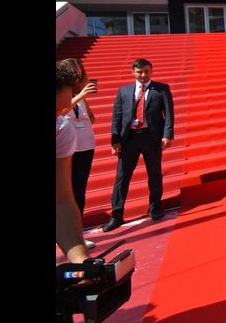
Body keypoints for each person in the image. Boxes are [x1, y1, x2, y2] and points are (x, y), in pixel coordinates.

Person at [104, 58, 175, 232]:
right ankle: (117, 214)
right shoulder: (124, 91)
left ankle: (155, 207)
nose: (143, 75)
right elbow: (117, 117)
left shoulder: (162, 89)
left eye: (147, 72)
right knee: (122, 177)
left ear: (151, 71)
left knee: (155, 174)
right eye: (139, 72)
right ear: (133, 72)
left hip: (151, 138)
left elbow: (169, 114)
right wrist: (115, 141)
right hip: (129, 139)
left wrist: (167, 135)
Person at [59, 59, 99, 242]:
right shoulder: (63, 94)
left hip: (85, 145)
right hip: (66, 148)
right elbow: (60, 110)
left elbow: (90, 118)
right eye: (74, 71)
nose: (78, 74)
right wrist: (81, 96)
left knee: (79, 190)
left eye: (80, 70)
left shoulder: (79, 93)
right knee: (67, 192)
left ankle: (78, 235)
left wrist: (86, 105)